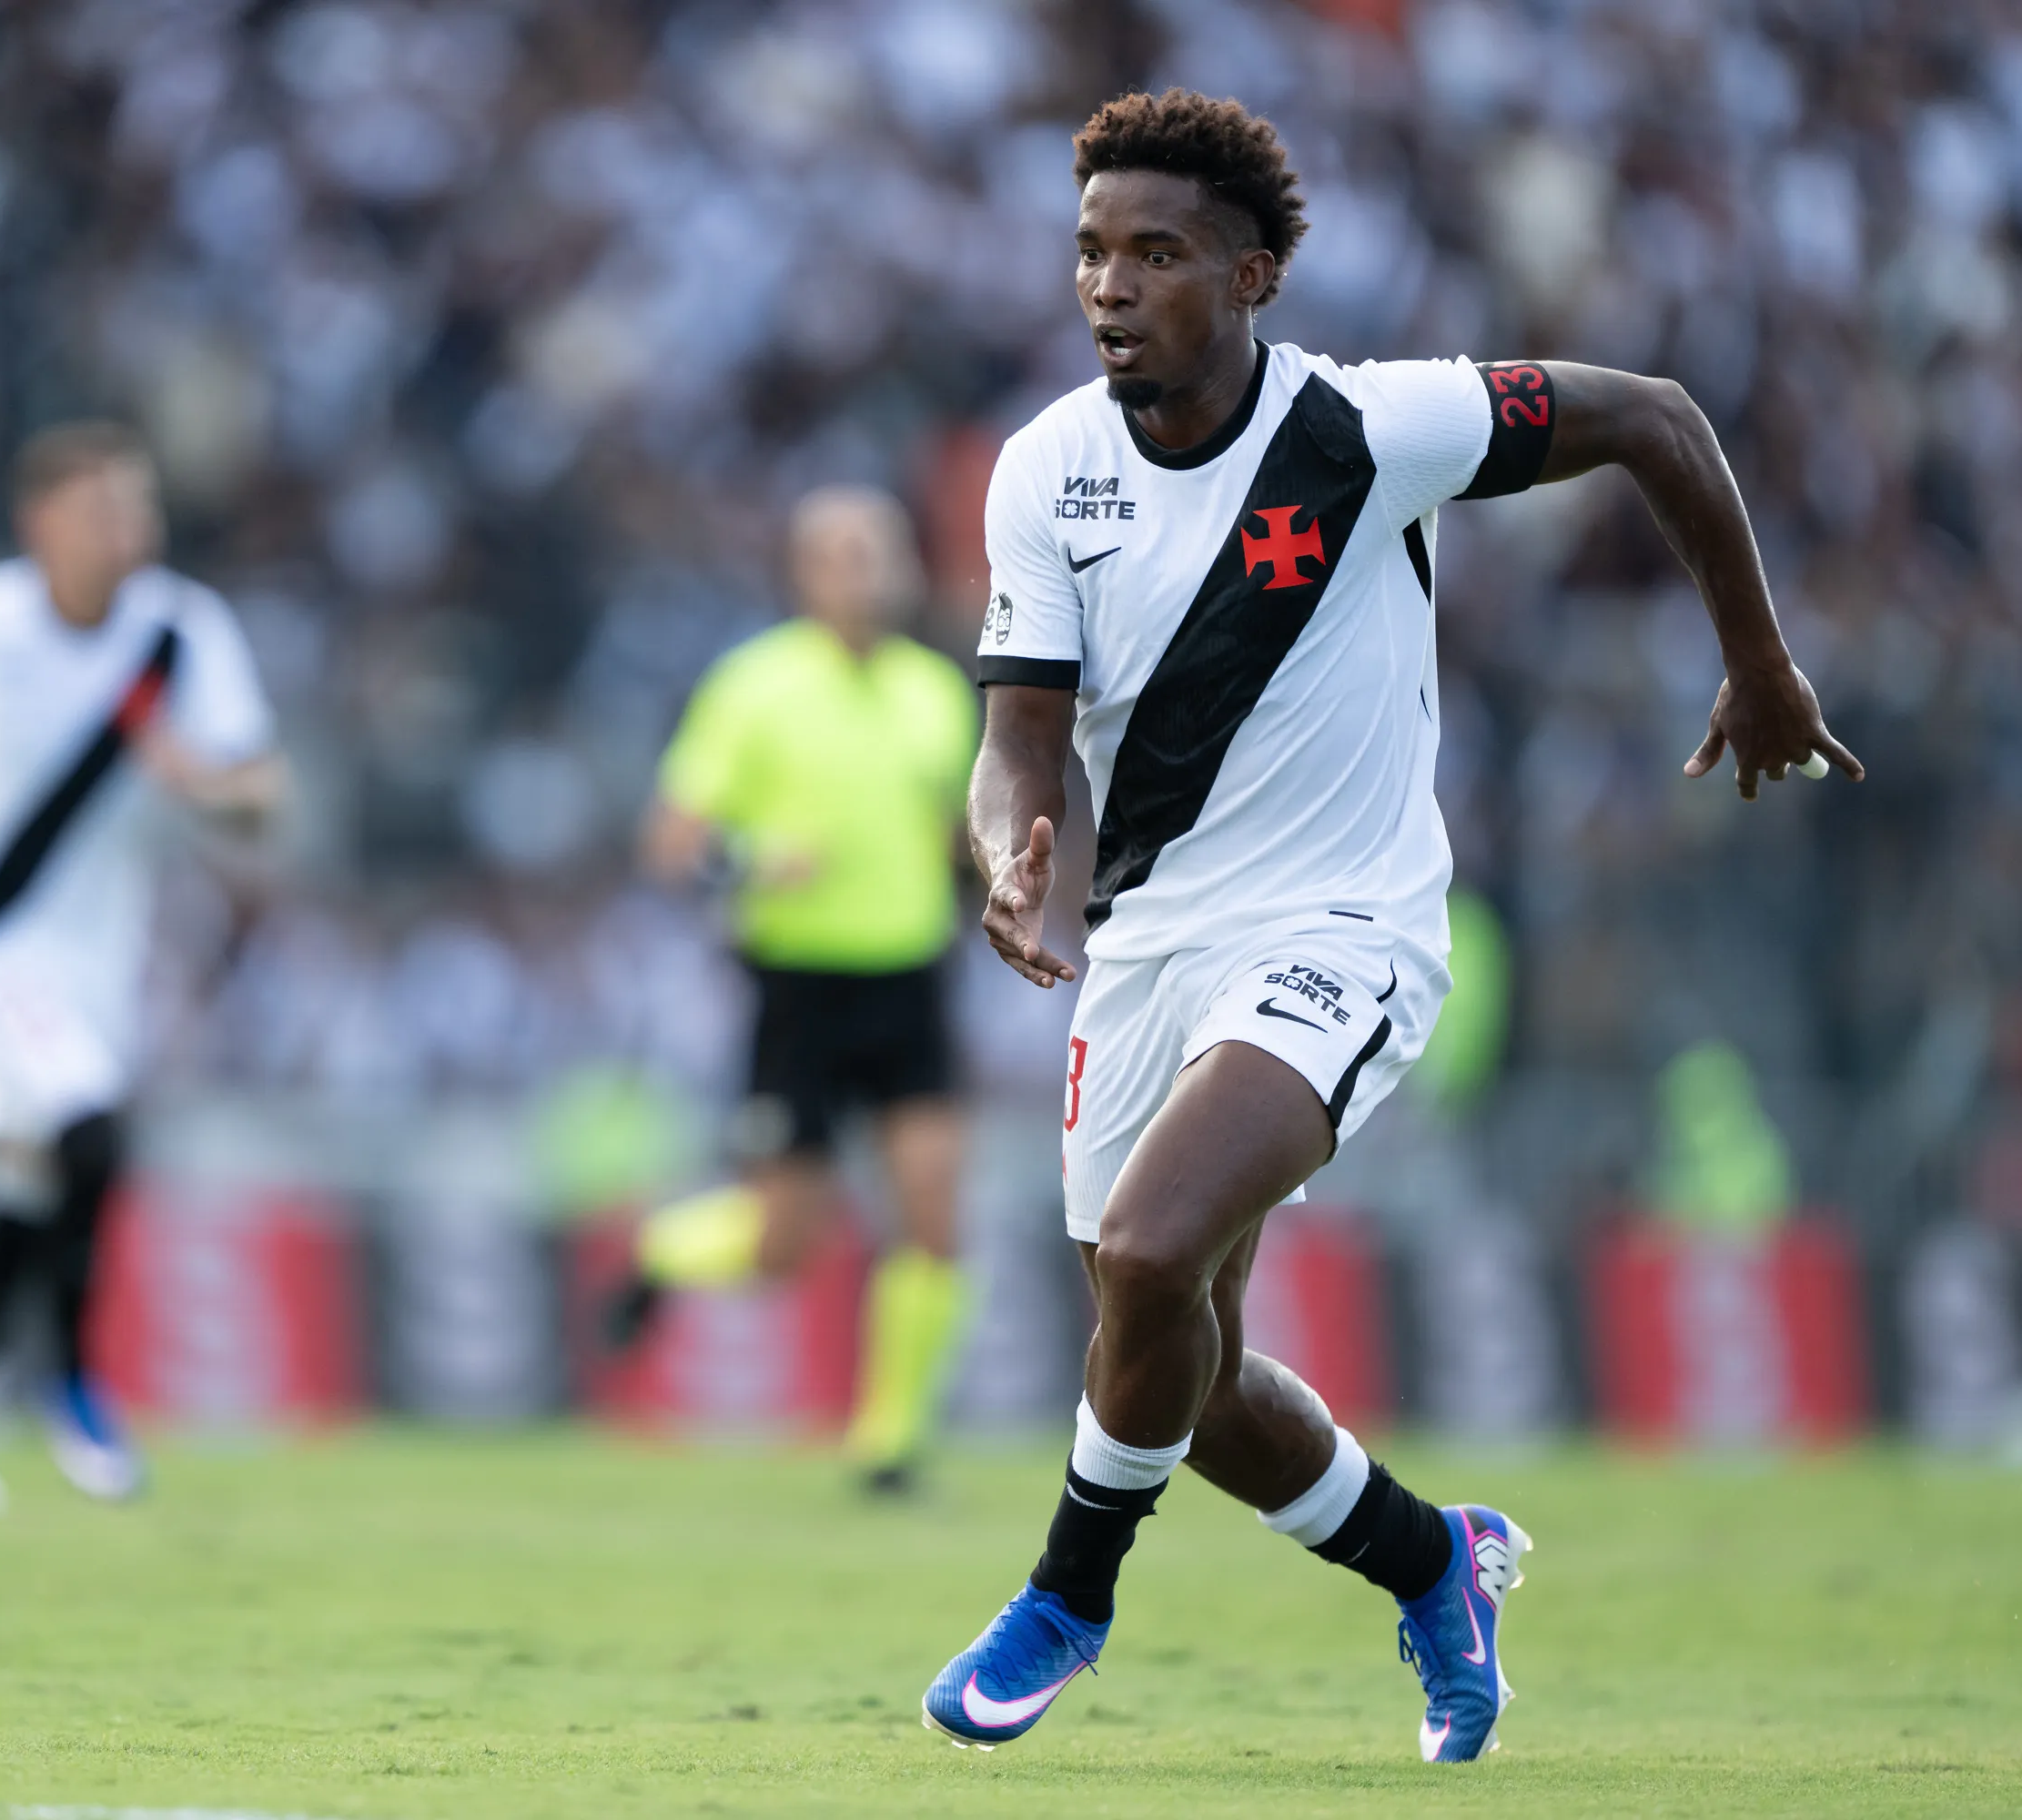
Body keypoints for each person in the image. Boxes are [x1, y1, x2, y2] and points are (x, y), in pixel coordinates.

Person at [922, 90, 1860, 1761]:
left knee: (1144, 1261)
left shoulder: (1371, 428)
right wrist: (1007, 849)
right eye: (1090, 253)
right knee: (1184, 1382)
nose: (1112, 287)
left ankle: (1067, 1593)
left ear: (1255, 273)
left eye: (1157, 253)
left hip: (1344, 927)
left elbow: (1652, 414)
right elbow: (1014, 748)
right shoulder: (1046, 473)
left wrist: (1760, 658)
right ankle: (1441, 1567)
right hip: (1150, 946)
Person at [0, 422, 285, 1512]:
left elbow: (265, 792)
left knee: (28, 1182)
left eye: (141, 507)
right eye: (106, 508)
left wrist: (203, 786)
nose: (132, 529)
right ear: (43, 524)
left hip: (96, 956)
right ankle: (75, 1382)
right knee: (88, 1123)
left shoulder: (181, 632)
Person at [607, 485, 981, 1494]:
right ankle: (664, 1250)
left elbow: (958, 835)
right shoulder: (753, 687)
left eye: (883, 550)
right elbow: (670, 843)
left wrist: (1002, 881)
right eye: (846, 553)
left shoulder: (936, 694)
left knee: (935, 1204)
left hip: (908, 977)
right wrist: (748, 857)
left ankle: (889, 1443)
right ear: (805, 573)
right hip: (798, 986)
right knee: (785, 1241)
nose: (870, 570)